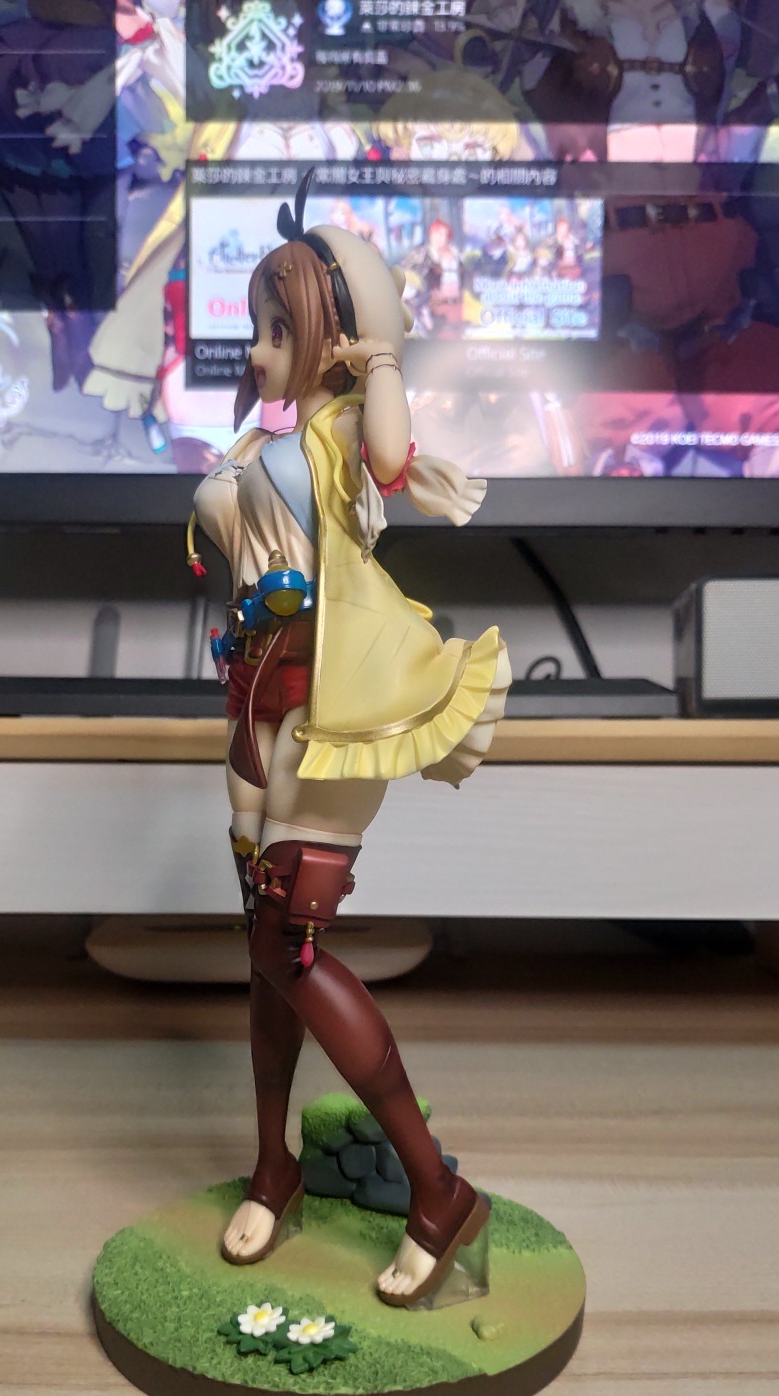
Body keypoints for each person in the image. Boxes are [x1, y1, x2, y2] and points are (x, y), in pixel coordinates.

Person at [188, 171, 511, 1309]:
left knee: (293, 946)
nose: (259, 350)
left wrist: (380, 363)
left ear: (331, 335)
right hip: (252, 698)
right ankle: (274, 1166)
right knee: (262, 951)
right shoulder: (260, 432)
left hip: (329, 704)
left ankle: (437, 1189)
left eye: (280, 330)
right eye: (259, 327)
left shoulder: (338, 427)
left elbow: (387, 464)